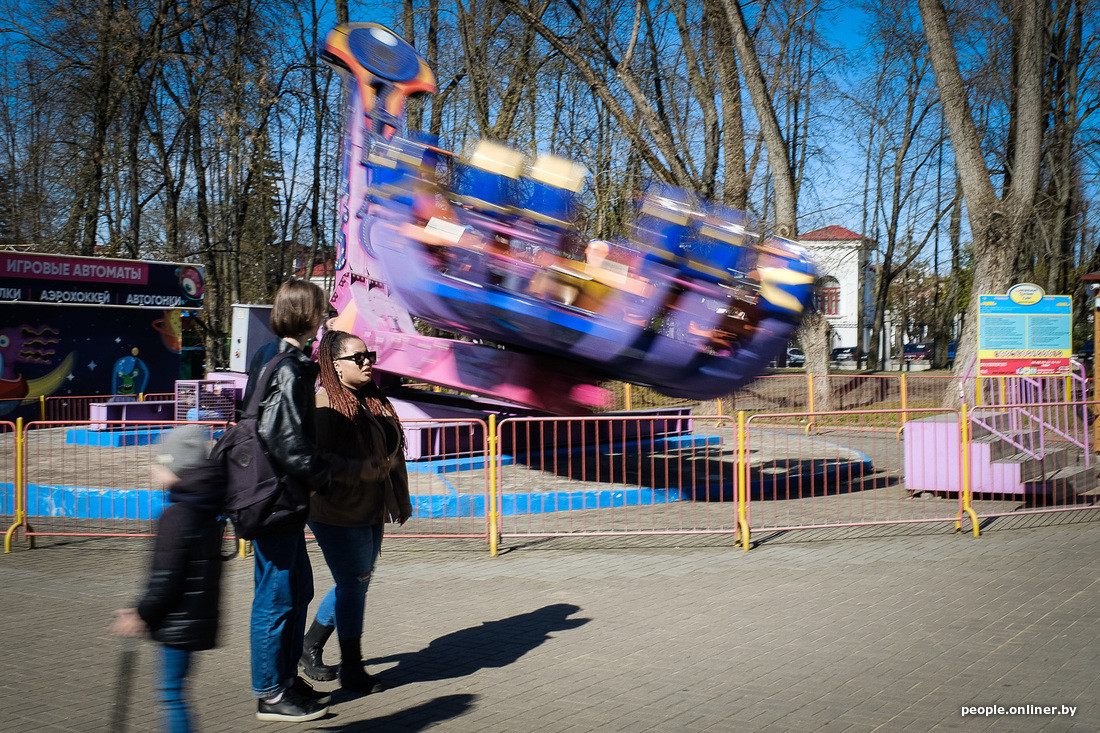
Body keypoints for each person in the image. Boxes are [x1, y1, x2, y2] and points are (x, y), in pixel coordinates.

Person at [243, 279, 373, 722]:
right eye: (321, 310)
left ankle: (285, 680)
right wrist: (324, 476)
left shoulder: (269, 355)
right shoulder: (292, 365)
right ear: (306, 314)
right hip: (277, 496)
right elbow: (283, 438)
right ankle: (270, 692)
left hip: (276, 495)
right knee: (277, 596)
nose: (326, 318)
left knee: (297, 588)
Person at [299, 329, 412, 693]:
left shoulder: (372, 401)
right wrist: (358, 470)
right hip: (336, 512)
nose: (367, 362)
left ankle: (309, 645)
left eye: (369, 356)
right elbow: (317, 461)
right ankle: (352, 668)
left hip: (371, 509)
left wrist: (402, 497)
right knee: (353, 584)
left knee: (356, 583)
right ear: (334, 365)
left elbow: (393, 456)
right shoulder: (325, 406)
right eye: (357, 357)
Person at [110, 425, 227, 733]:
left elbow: (166, 578)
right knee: (176, 690)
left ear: (176, 466)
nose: (153, 469)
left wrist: (140, 614)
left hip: (178, 621)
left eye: (159, 463)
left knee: (170, 694)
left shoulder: (176, 515)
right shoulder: (207, 505)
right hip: (195, 616)